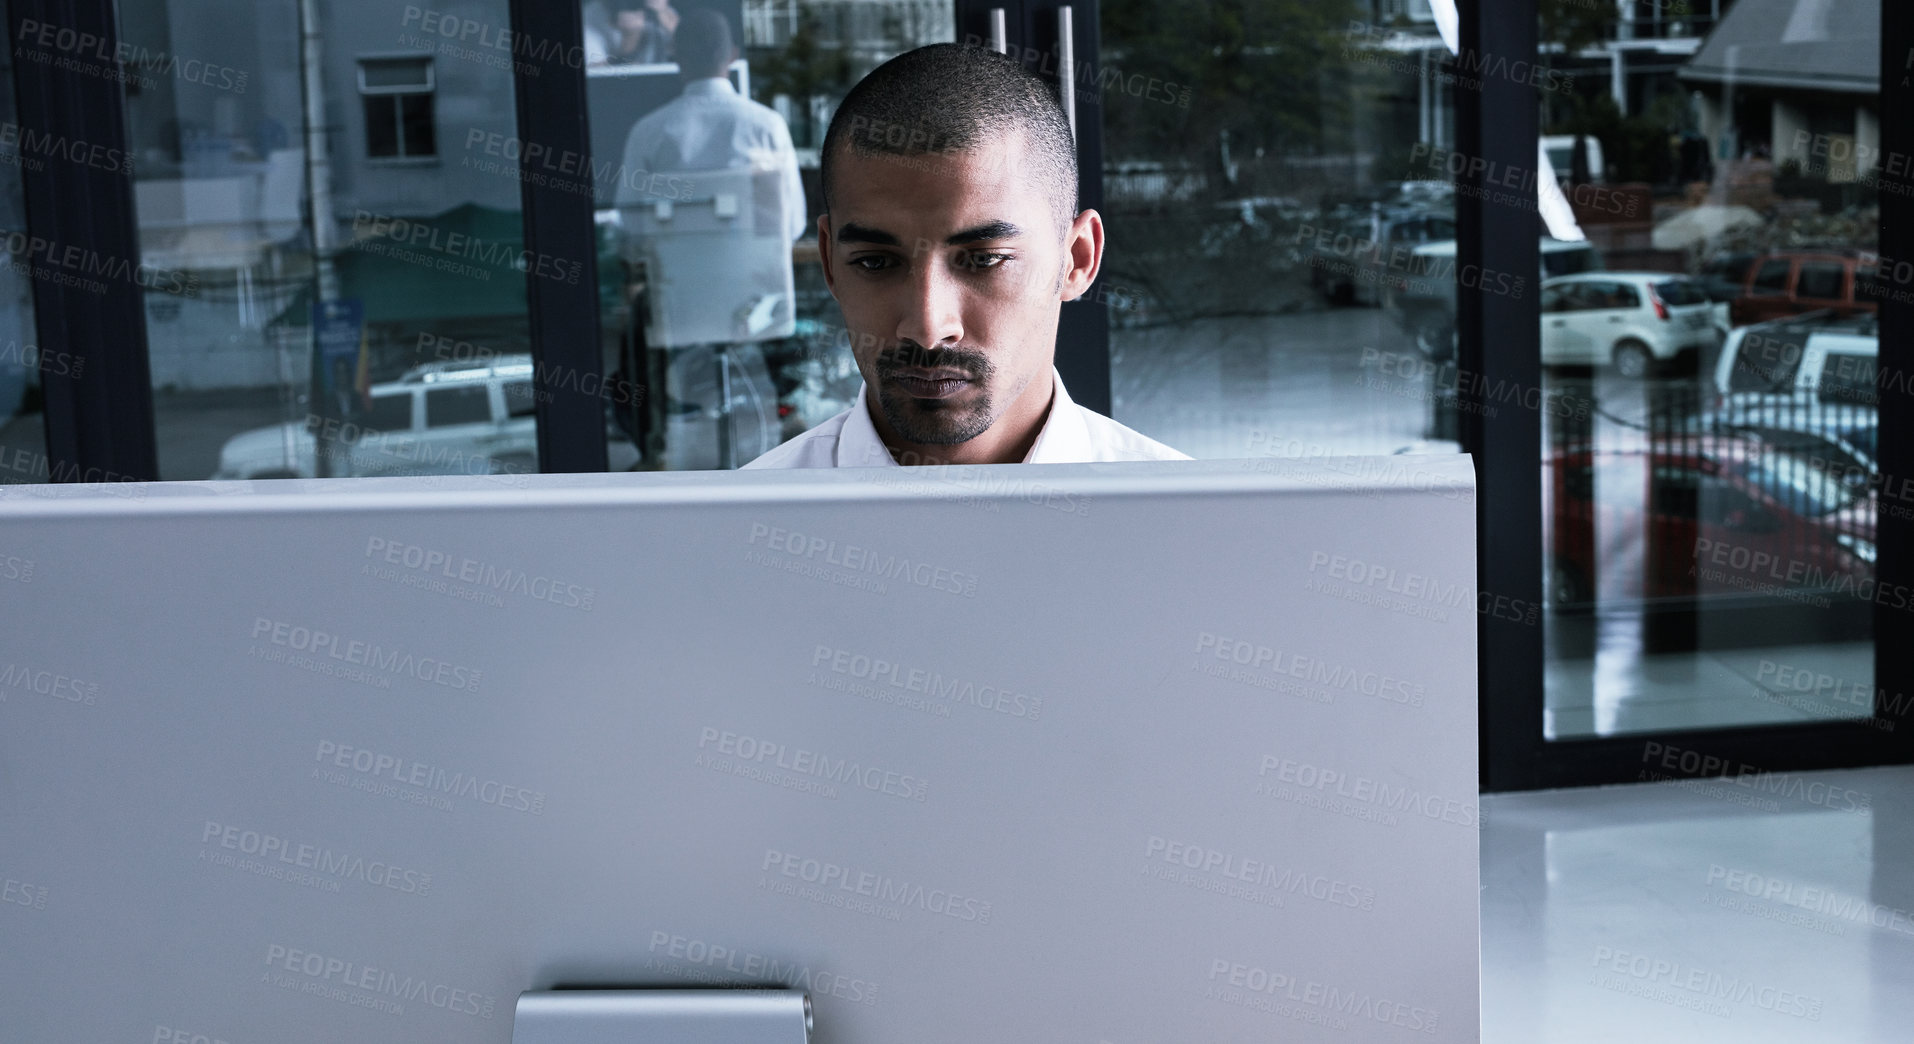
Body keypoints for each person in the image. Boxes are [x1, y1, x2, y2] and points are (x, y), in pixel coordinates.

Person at [741, 44, 1186, 469]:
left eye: (983, 260)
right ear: (829, 262)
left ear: (1077, 258)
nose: (928, 329)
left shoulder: (1195, 525)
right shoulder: (731, 530)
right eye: (875, 262)